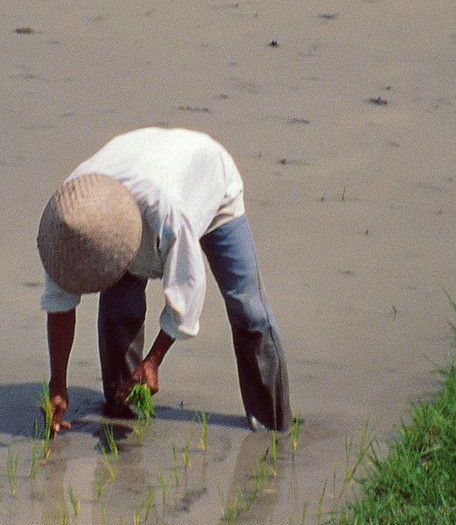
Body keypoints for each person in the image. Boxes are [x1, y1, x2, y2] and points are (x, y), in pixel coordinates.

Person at [36, 126, 291, 435]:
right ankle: (122, 412)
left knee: (249, 309)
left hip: (210, 183)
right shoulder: (69, 217)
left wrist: (154, 360)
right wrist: (57, 383)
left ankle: (273, 425)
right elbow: (60, 305)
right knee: (119, 310)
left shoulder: (167, 213)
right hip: (130, 178)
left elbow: (188, 291)